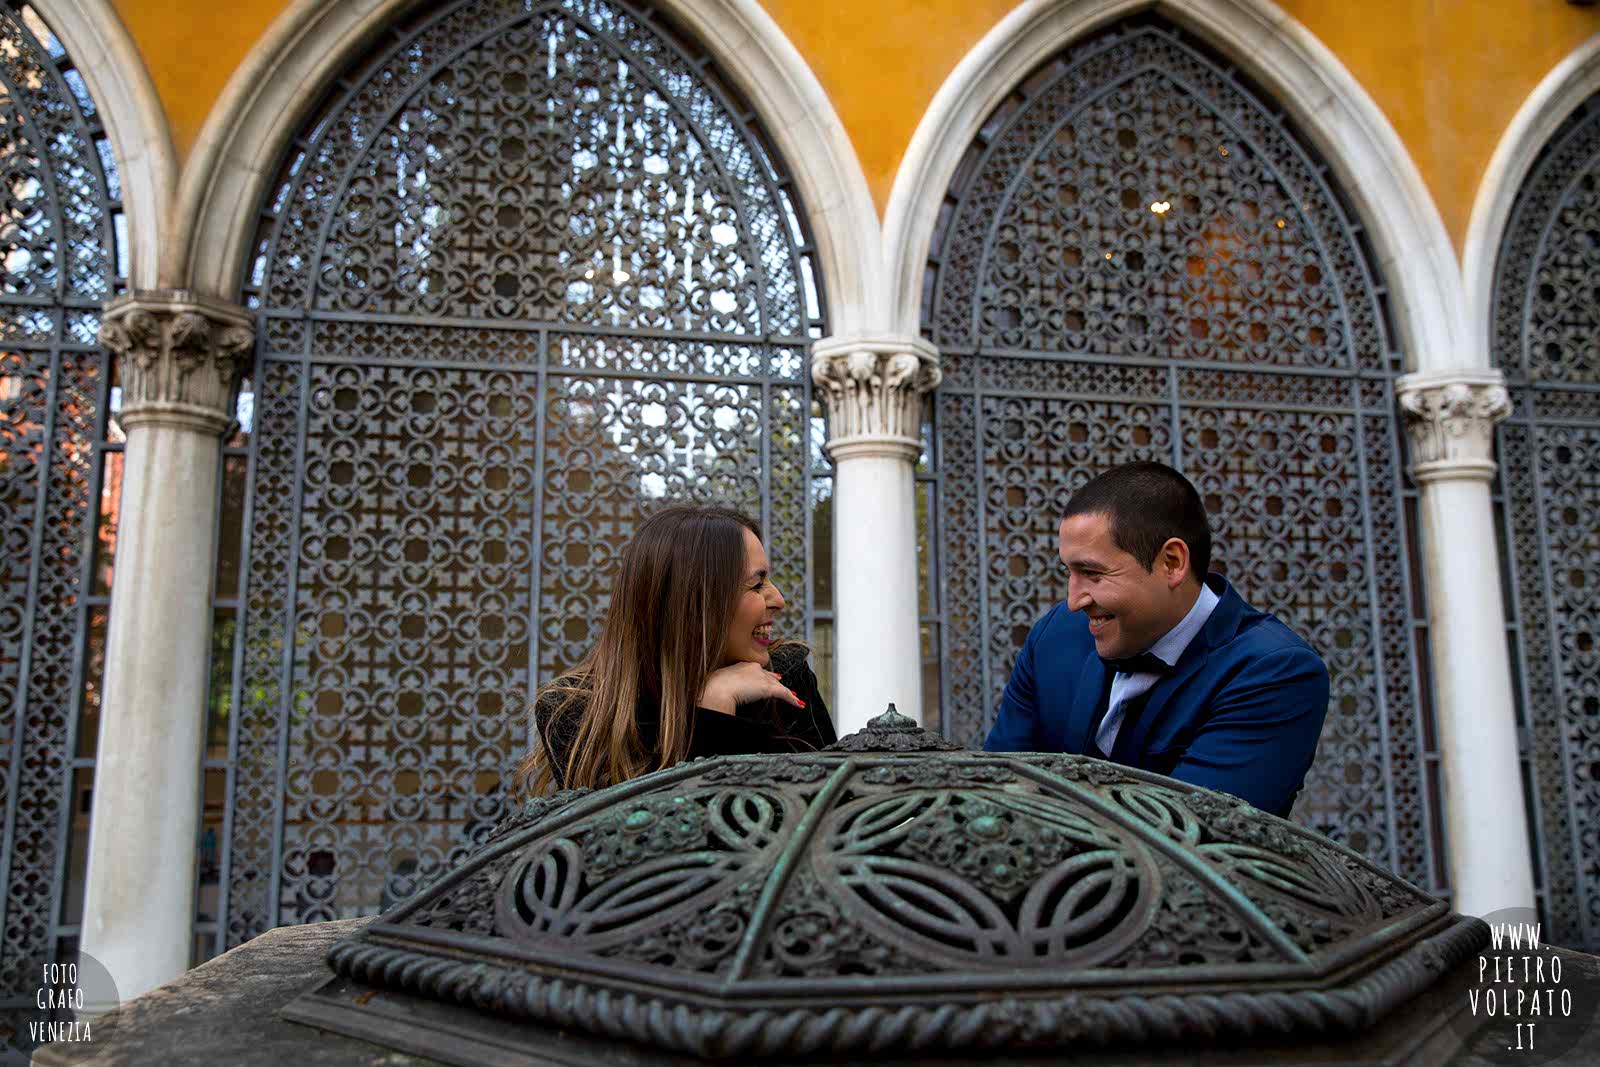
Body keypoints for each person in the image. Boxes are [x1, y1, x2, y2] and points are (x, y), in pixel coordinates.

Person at [984, 462, 1329, 816]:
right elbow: (994, 794)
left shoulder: (1276, 673)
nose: (1074, 601)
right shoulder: (1055, 636)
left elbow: (1192, 837)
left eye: (1092, 573)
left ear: (1172, 562)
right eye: (1069, 572)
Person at [514, 505, 835, 796]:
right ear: (694, 604)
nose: (779, 600)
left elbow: (831, 819)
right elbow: (646, 849)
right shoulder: (578, 713)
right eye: (756, 584)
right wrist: (715, 707)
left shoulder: (786, 678)